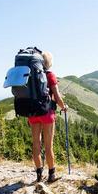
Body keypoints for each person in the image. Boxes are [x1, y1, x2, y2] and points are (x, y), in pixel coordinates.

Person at [28, 51, 67, 183]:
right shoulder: (50, 76)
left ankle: (39, 174)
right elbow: (56, 96)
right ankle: (51, 174)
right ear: (49, 62)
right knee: (48, 146)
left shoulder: (31, 75)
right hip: (47, 114)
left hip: (33, 114)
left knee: (36, 144)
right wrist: (63, 106)